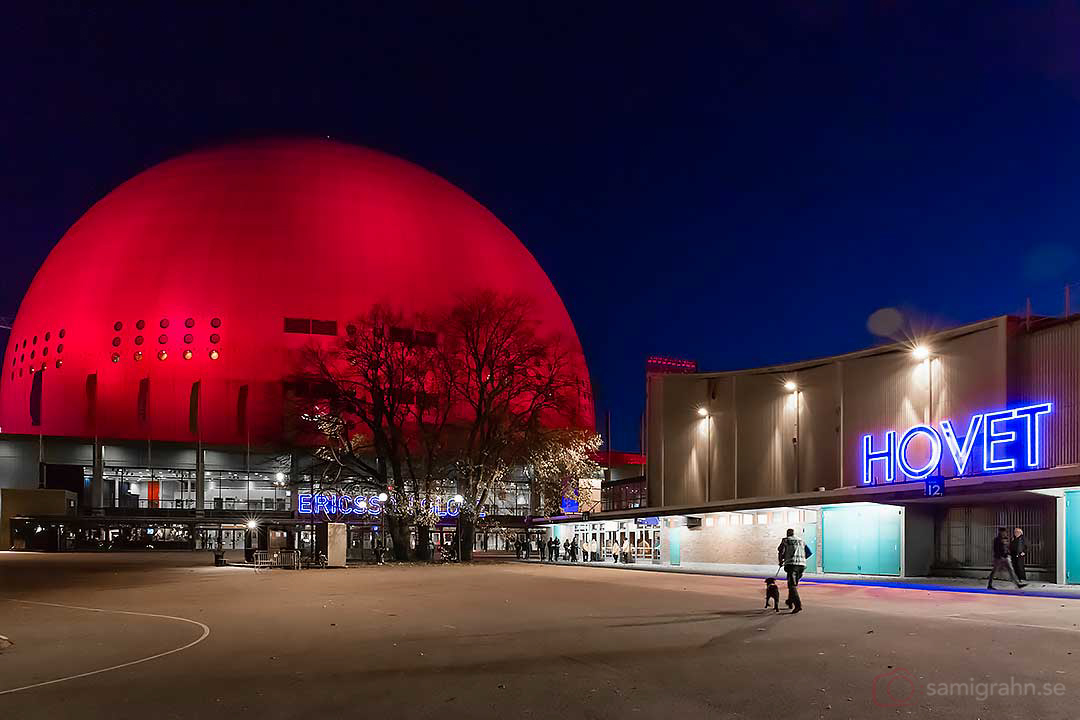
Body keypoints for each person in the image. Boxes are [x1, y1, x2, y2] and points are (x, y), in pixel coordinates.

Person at [777, 528, 813, 614]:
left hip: (791, 565)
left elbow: (780, 551)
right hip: (801, 566)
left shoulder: (785, 540)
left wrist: (780, 561)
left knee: (792, 585)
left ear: (787, 534)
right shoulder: (801, 541)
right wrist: (803, 559)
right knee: (793, 584)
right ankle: (790, 601)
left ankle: (798, 605)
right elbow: (809, 552)